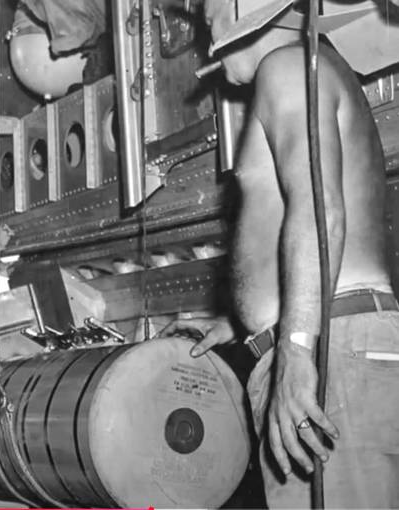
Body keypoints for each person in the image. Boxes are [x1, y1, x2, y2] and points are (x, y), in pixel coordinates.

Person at [163, 0, 399, 507]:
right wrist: (248, 323)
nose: (207, 47)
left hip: (327, 349)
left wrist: (294, 349)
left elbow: (319, 211)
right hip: (332, 340)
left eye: (210, 26)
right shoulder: (306, 69)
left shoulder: (287, 67)